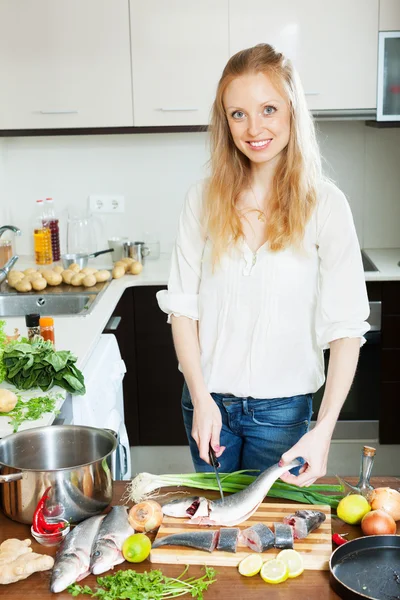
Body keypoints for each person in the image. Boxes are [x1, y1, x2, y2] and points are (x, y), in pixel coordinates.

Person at [157, 43, 370, 487]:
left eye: (268, 109)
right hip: (207, 400)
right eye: (238, 114)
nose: (254, 128)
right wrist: (201, 398)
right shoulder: (202, 199)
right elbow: (183, 310)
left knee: (270, 535)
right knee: (217, 524)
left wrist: (323, 431)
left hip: (283, 411)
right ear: (225, 121)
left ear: (292, 111)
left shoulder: (326, 205)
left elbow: (347, 330)